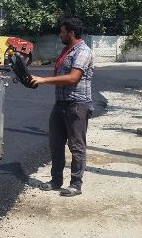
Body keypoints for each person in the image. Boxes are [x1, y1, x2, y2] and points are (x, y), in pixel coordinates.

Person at [30, 17, 94, 197]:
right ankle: (56, 180)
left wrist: (43, 80)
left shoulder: (83, 52)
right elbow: (60, 74)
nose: (60, 34)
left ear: (71, 33)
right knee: (55, 144)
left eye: (62, 31)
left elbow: (73, 78)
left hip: (77, 105)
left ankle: (75, 184)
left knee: (76, 146)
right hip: (60, 104)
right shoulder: (67, 50)